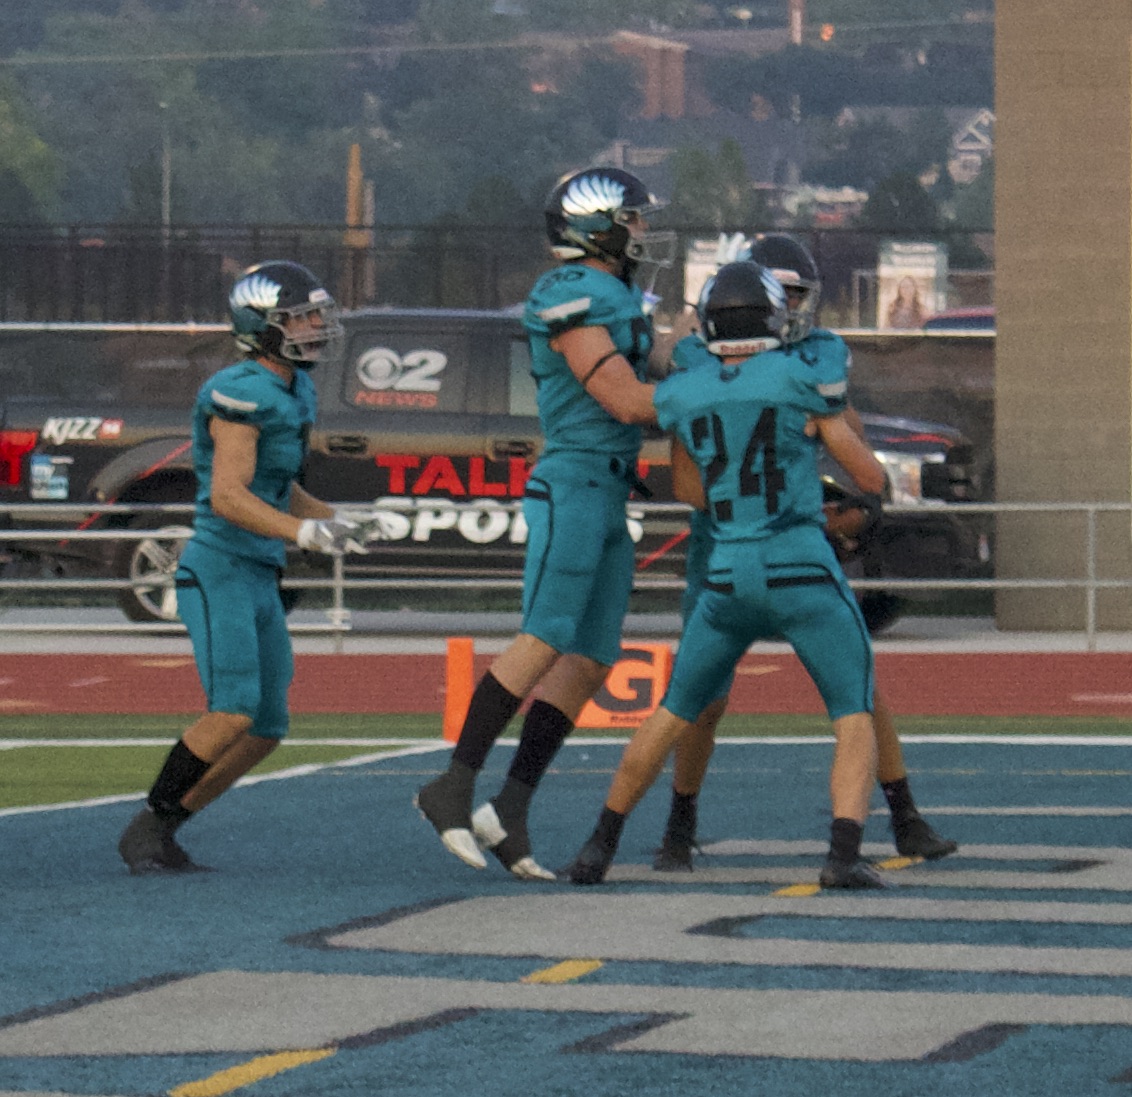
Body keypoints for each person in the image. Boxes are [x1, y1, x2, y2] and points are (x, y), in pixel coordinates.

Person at [566, 259, 890, 890]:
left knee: (672, 710)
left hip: (725, 571)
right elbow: (871, 479)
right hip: (798, 563)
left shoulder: (687, 388)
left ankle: (597, 847)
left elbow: (675, 463)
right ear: (773, 316)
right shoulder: (802, 377)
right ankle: (843, 854)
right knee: (852, 710)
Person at [653, 233, 957, 872]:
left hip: (795, 537)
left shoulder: (818, 354)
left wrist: (853, 501)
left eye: (796, 294)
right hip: (725, 539)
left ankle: (904, 816)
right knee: (702, 699)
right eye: (779, 295)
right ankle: (679, 826)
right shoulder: (700, 354)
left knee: (861, 684)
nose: (789, 307)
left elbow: (848, 435)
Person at [414, 166, 667, 881]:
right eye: (635, 219)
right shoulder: (572, 292)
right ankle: (452, 785)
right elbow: (620, 395)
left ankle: (510, 805)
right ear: (599, 225)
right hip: (575, 481)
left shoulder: (615, 292)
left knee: (588, 658)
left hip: (610, 489)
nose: (645, 233)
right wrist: (703, 397)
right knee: (545, 635)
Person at [117, 260, 383, 874]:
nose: (317, 325)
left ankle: (166, 824)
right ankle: (147, 826)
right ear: (261, 326)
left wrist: (337, 520)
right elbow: (229, 496)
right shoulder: (239, 390)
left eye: (316, 314)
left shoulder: (294, 387)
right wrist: (304, 532)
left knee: (267, 726)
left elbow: (278, 485)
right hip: (218, 569)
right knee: (233, 707)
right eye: (301, 317)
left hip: (260, 571)